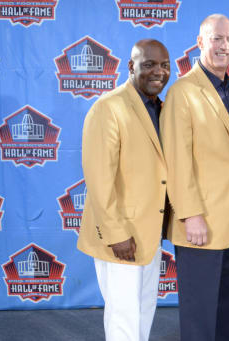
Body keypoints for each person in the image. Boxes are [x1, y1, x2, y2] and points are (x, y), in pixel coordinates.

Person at [160, 14, 229, 340]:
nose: (224, 46)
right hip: (200, 223)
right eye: (216, 39)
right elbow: (177, 160)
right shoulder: (182, 92)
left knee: (224, 310)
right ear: (200, 42)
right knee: (200, 316)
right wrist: (190, 213)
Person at [77, 39, 171, 341]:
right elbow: (99, 177)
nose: (159, 72)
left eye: (164, 66)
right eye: (149, 64)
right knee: (123, 318)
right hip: (122, 235)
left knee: (143, 311)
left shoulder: (162, 109)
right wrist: (116, 233)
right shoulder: (109, 107)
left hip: (149, 231)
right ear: (131, 66)